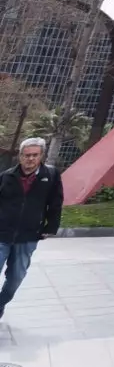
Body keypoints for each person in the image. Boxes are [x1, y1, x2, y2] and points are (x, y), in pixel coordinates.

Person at [0, 137, 62, 322]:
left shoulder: (50, 176)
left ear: (41, 156)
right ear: (20, 156)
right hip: (2, 234)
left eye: (34, 155)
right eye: (26, 155)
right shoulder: (6, 176)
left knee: (15, 278)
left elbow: (56, 202)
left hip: (27, 237)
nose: (30, 159)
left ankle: (1, 303)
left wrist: (51, 226)